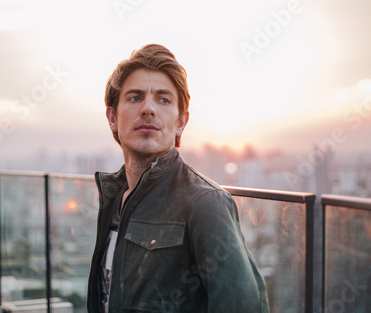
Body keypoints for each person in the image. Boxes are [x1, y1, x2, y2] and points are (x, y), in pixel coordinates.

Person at [87, 44, 269, 313]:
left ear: (181, 122)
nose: (148, 109)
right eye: (135, 97)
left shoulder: (205, 203)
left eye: (163, 99)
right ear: (112, 117)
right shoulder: (114, 198)